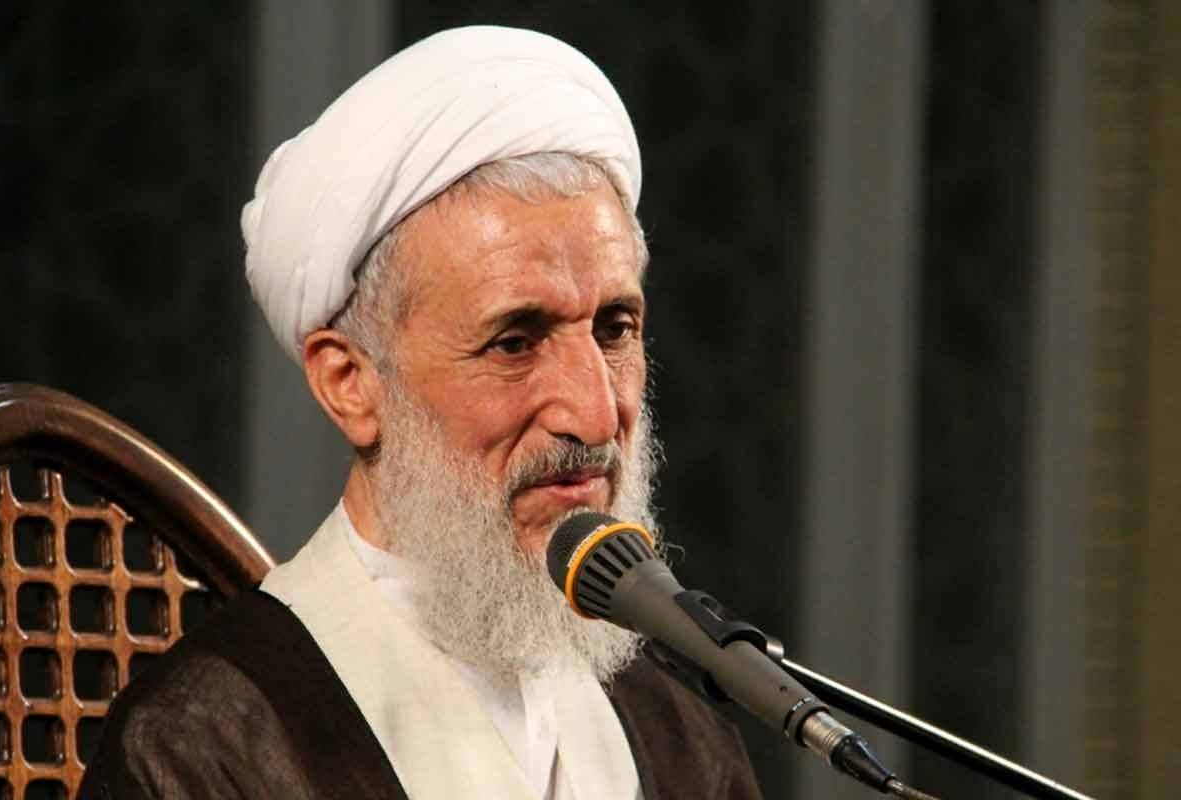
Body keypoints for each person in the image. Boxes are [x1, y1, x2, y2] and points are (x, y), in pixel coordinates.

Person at [79, 26, 762, 799]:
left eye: (615, 329)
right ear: (350, 383)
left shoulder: (681, 735)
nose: (596, 415)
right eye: (514, 342)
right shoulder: (208, 750)